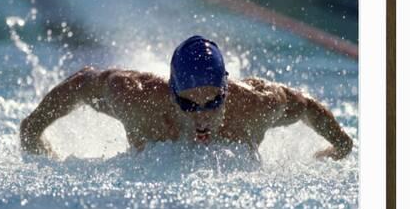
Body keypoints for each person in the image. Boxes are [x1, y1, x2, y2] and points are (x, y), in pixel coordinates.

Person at [20, 35, 353, 161]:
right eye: (188, 104)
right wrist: (33, 129)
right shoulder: (139, 101)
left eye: (212, 102)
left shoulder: (256, 105)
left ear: (227, 91)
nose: (201, 116)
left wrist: (340, 145)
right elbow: (84, 82)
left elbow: (306, 106)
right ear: (171, 92)